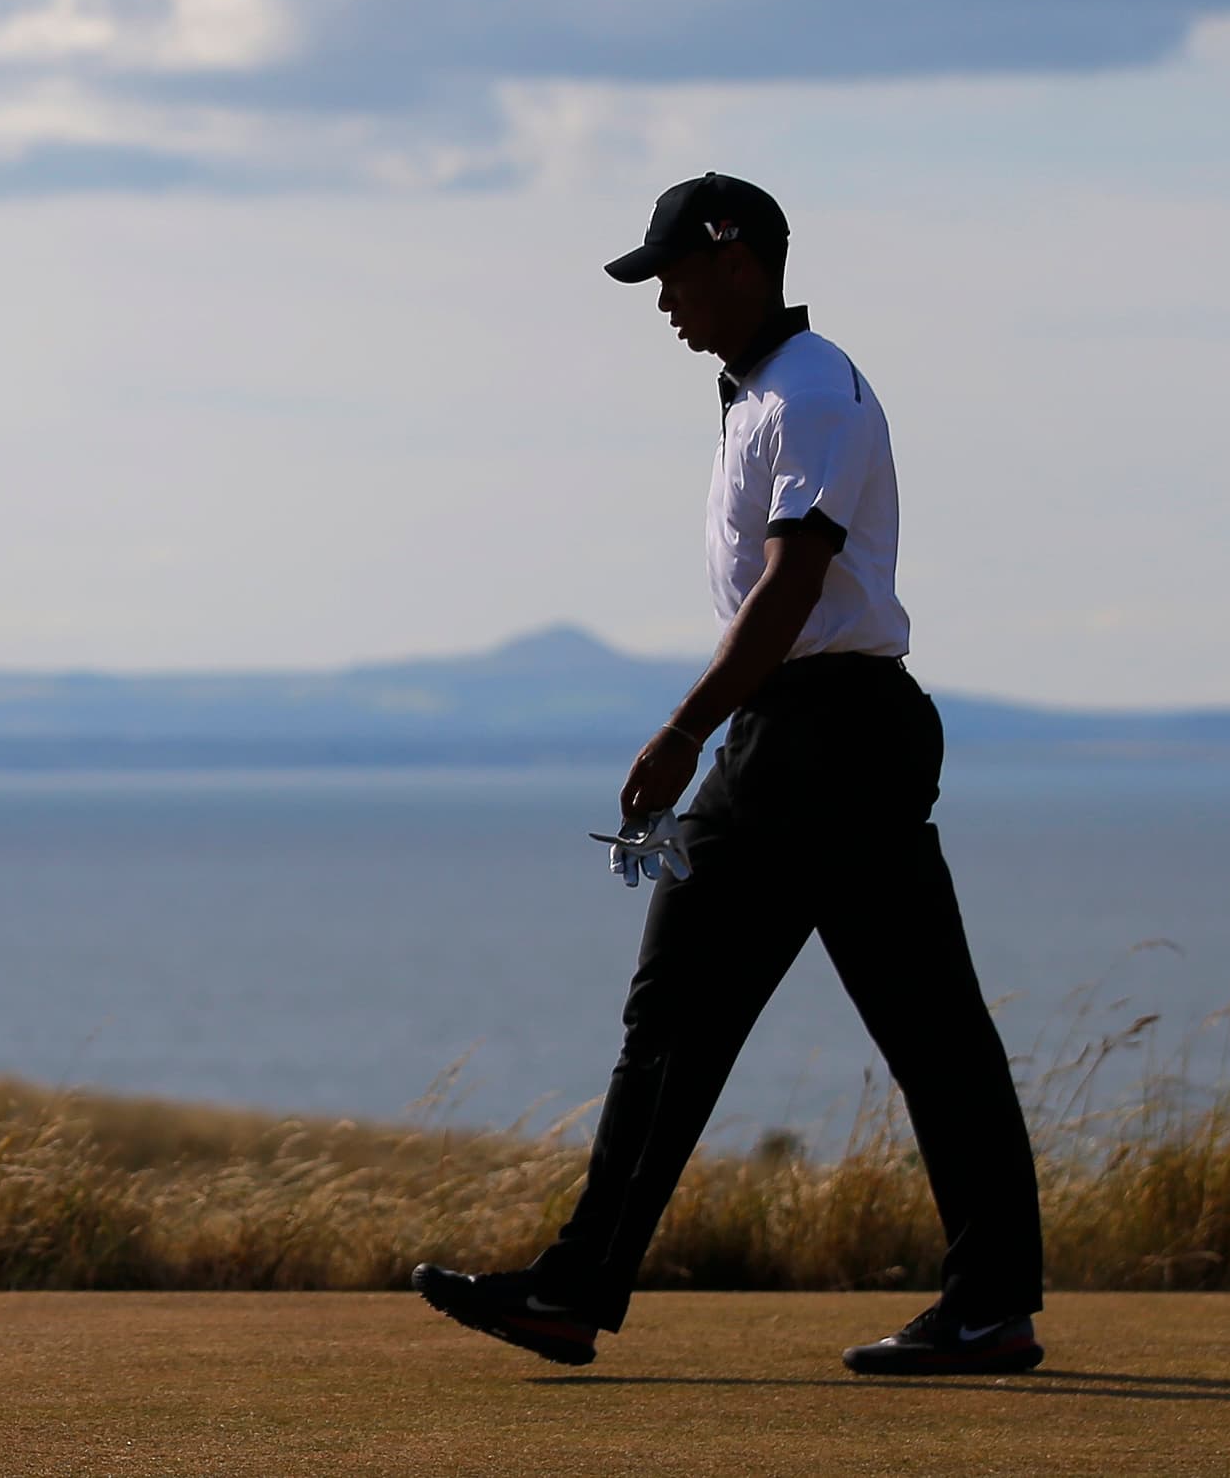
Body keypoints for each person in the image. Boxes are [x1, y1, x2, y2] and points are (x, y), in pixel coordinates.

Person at [411, 174, 1046, 1375]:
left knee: (675, 1017)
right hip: (841, 734)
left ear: (738, 260)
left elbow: (790, 587)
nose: (659, 301)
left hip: (806, 740)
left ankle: (572, 1287)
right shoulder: (774, 388)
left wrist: (683, 729)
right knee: (930, 1033)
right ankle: (990, 1305)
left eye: (671, 274)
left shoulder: (804, 395)